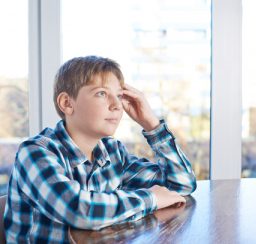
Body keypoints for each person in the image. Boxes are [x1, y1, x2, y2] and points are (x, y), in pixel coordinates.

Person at [4, 56, 197, 243]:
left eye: (119, 96)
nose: (116, 106)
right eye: (102, 93)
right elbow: (79, 211)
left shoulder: (112, 152)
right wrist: (152, 198)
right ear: (67, 103)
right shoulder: (35, 153)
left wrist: (152, 125)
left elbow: (180, 185)